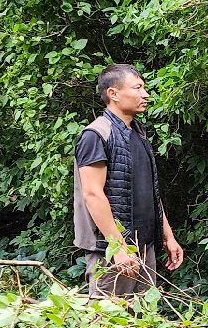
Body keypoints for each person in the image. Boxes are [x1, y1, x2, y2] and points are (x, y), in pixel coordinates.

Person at [73, 64, 183, 296]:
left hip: (144, 246)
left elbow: (149, 193)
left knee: (143, 323)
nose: (145, 94)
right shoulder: (96, 134)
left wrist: (168, 236)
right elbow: (92, 194)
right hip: (112, 250)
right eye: (138, 88)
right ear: (113, 93)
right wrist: (119, 248)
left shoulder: (138, 134)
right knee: (108, 325)